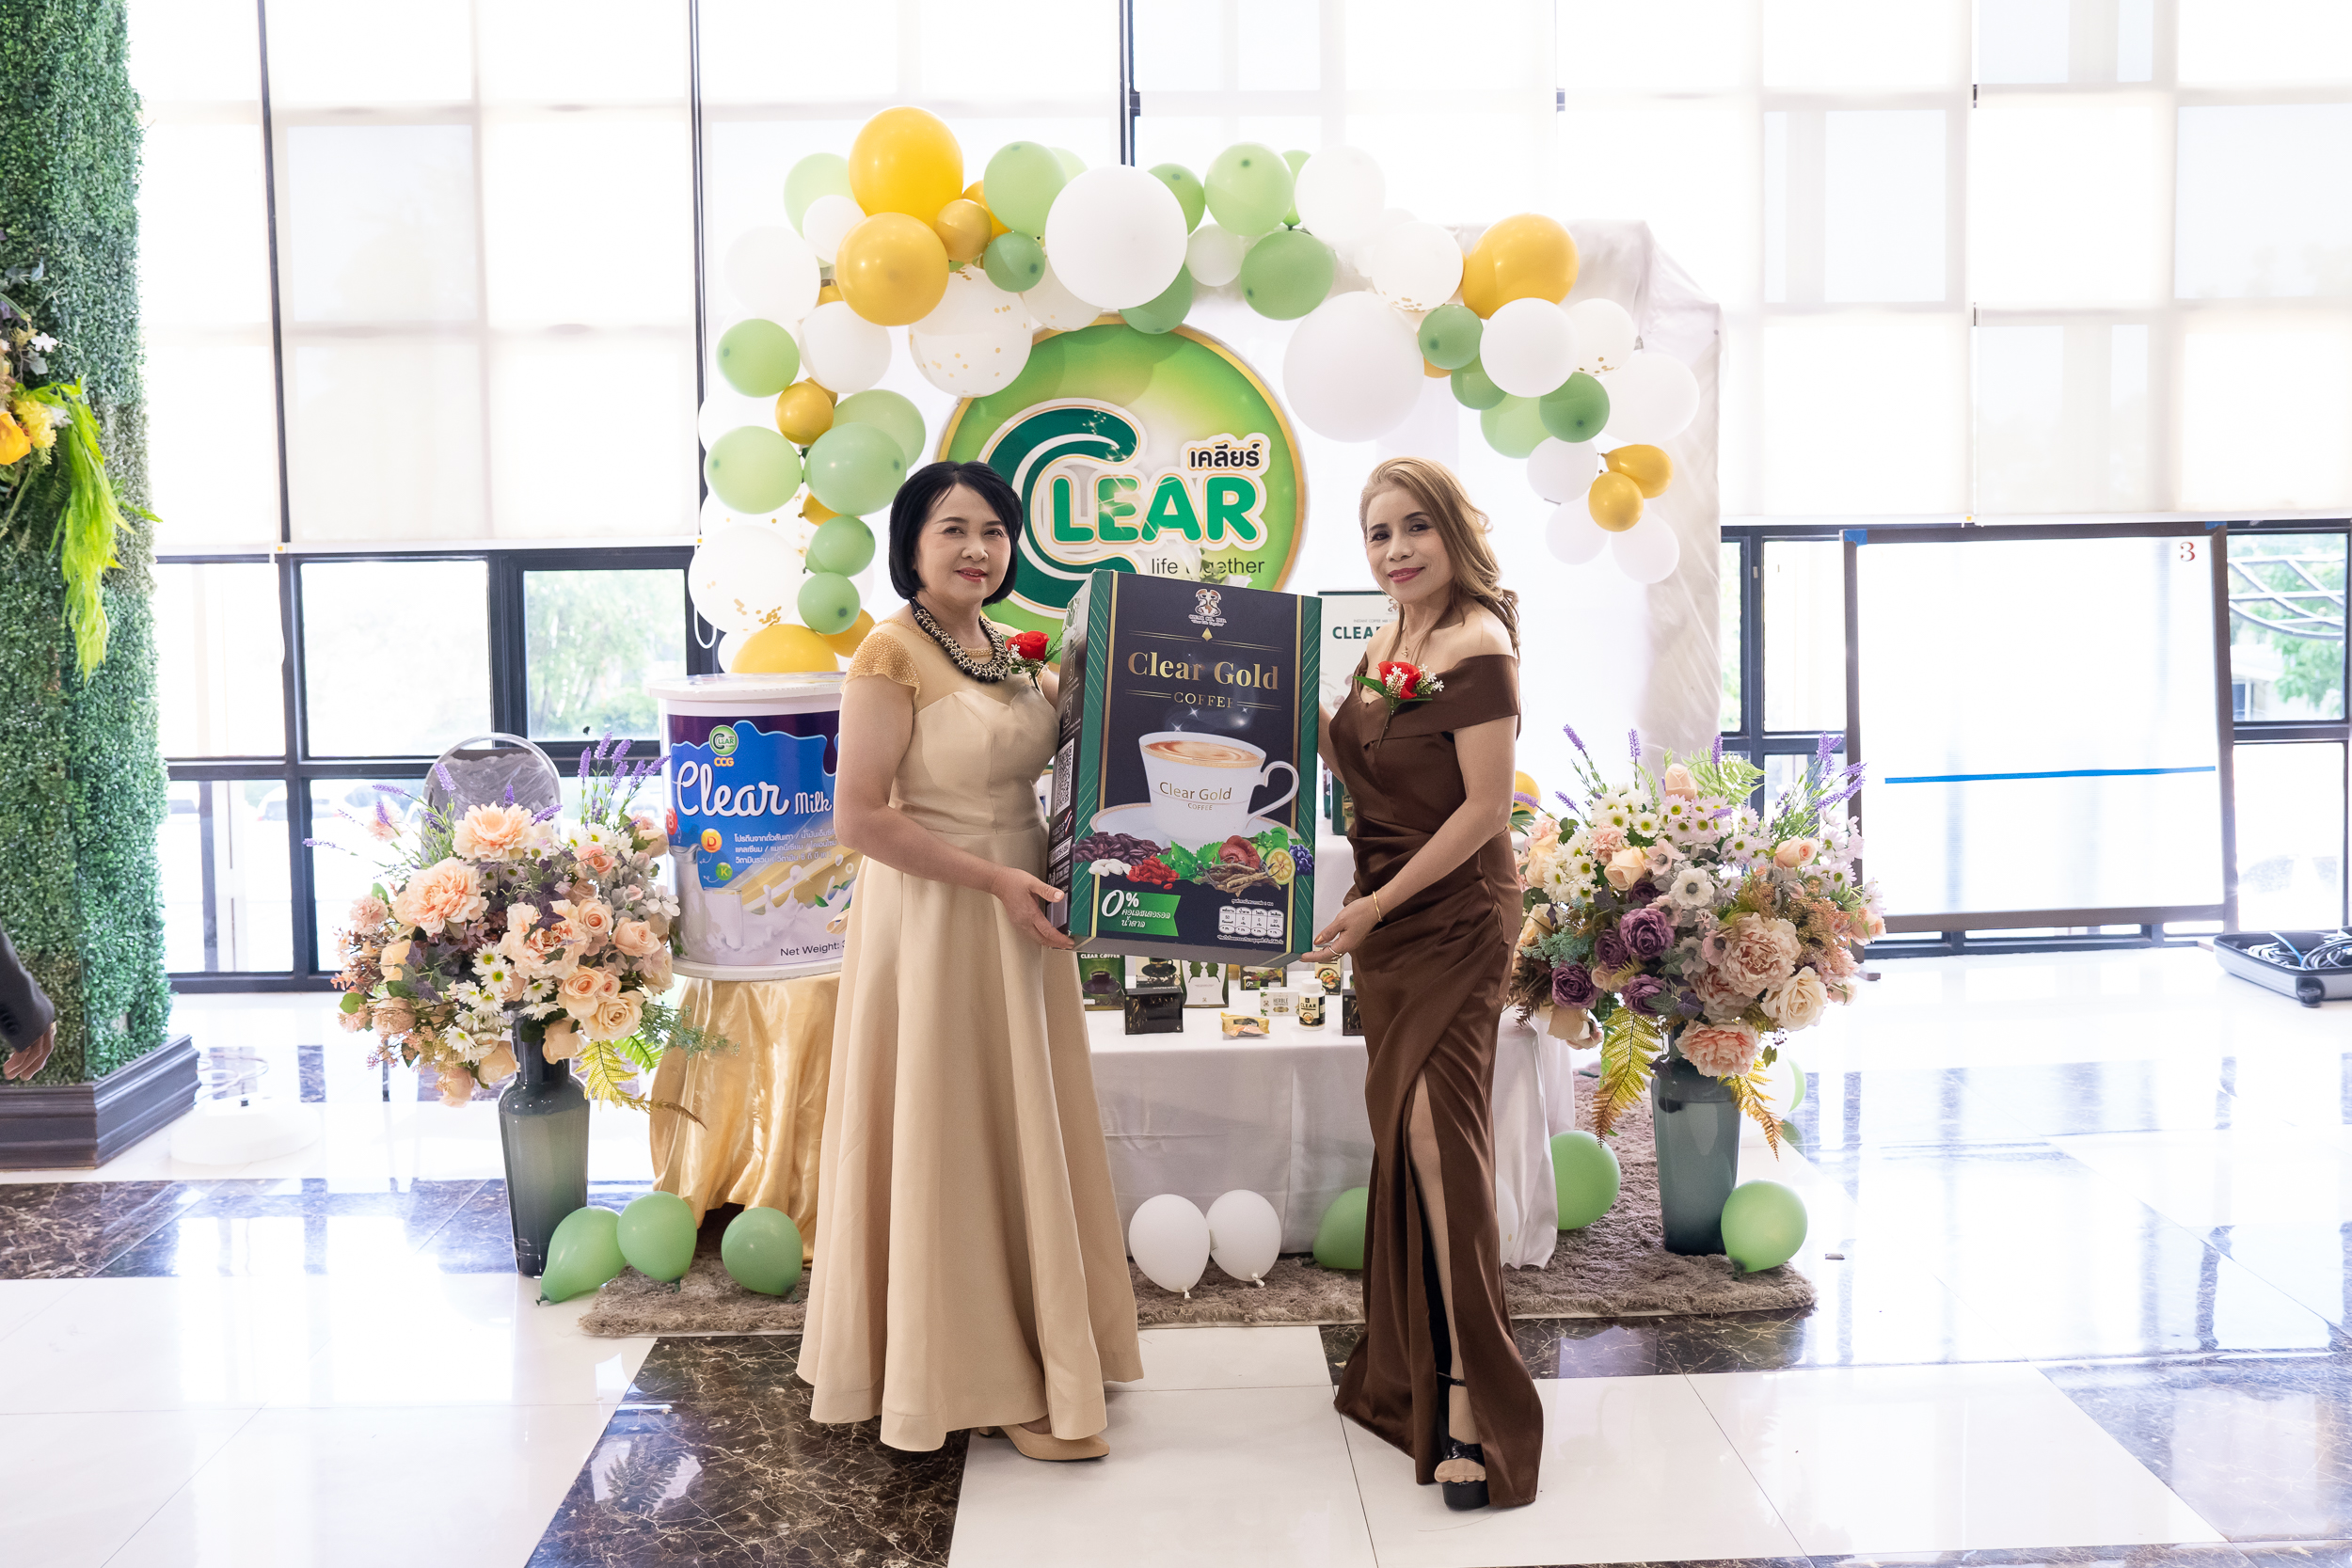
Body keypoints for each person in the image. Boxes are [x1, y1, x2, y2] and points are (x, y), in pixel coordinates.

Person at [800, 459, 1142, 1461]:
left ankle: (1046, 1351)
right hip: (936, 917)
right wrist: (992, 879)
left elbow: (1085, 750)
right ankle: (974, 1375)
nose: (976, 548)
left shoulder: (1007, 649)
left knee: (1019, 1122)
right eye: (952, 528)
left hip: (1022, 910)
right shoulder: (888, 651)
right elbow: (860, 818)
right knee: (947, 1130)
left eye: (993, 530)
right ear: (912, 541)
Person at [1307, 456, 1542, 1511]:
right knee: (1407, 1137)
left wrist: (1376, 904)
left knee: (1443, 1144)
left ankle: (1471, 1396)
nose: (1396, 550)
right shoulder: (1386, 640)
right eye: (1378, 533)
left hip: (1450, 917)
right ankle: (1414, 1362)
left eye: (1415, 528)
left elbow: (1485, 808)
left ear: (1452, 532)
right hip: (1389, 919)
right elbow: (1365, 769)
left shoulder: (1477, 641)